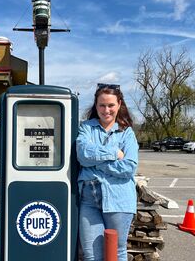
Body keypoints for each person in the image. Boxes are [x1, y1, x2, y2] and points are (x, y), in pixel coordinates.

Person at [76, 83, 138, 261]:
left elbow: (128, 167)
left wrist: (95, 164)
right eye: (102, 105)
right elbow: (82, 155)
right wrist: (113, 153)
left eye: (111, 105)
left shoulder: (127, 133)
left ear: (119, 104)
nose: (106, 110)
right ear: (96, 106)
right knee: (91, 254)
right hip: (89, 198)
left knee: (117, 252)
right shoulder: (86, 128)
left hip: (118, 198)